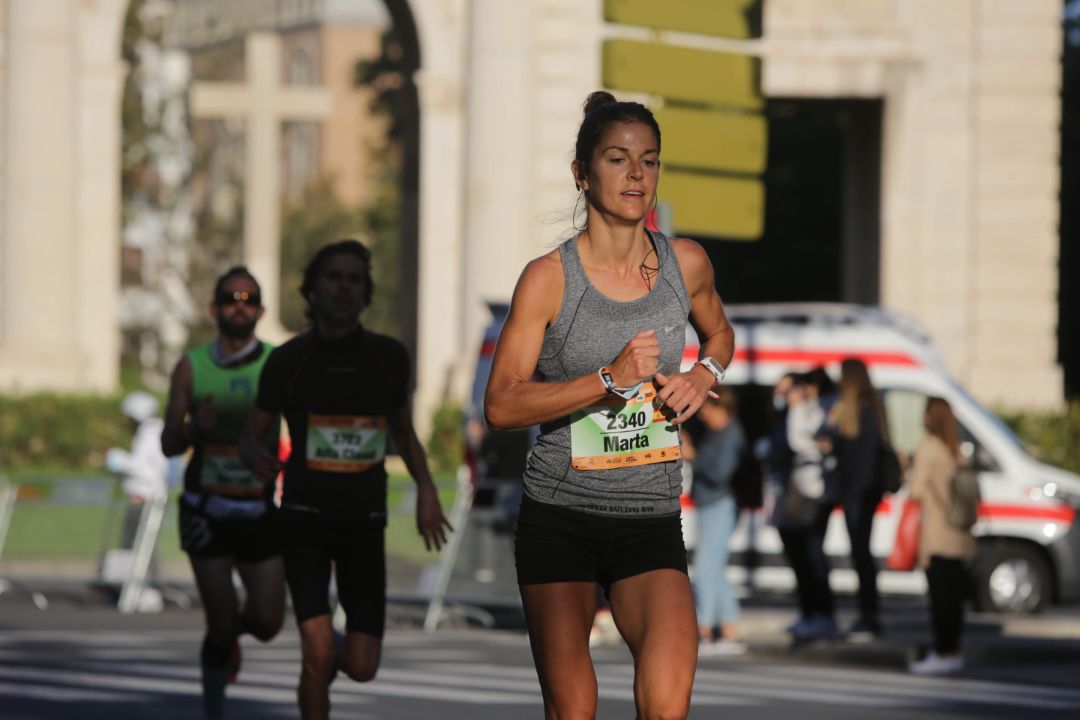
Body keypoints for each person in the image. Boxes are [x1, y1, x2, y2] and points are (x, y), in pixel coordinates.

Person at [484, 90, 735, 719]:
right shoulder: (549, 278)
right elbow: (502, 404)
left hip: (649, 518)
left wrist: (704, 374)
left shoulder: (687, 264)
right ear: (582, 173)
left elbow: (721, 334)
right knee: (573, 712)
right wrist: (609, 377)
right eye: (618, 159)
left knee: (667, 703)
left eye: (649, 161)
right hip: (559, 516)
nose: (635, 175)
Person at [239, 239, 451, 720]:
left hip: (363, 521)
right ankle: (317, 656)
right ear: (312, 290)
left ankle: (326, 651)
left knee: (359, 666)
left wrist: (427, 491)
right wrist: (255, 456)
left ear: (366, 291)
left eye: (354, 279)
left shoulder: (388, 357)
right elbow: (251, 435)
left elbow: (403, 430)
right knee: (316, 653)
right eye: (333, 277)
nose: (344, 287)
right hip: (303, 520)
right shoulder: (288, 360)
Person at [160, 267, 286, 720]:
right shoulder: (190, 366)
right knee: (220, 621)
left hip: (257, 508)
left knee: (269, 623)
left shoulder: (277, 362)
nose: (240, 305)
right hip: (205, 509)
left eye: (249, 298)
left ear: (261, 311)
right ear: (214, 309)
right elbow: (168, 444)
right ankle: (215, 709)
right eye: (231, 298)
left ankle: (231, 640)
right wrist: (194, 429)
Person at [907, 397, 976, 675]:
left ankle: (942, 651)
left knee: (939, 599)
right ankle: (953, 650)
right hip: (960, 534)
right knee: (954, 600)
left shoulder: (928, 448)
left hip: (937, 533)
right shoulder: (956, 449)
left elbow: (916, 490)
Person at [829, 357, 890, 640]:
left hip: (859, 493)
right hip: (865, 492)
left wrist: (833, 436)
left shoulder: (857, 411)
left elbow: (854, 456)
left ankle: (870, 616)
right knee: (861, 555)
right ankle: (869, 614)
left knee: (861, 556)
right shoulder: (873, 408)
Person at [778, 370, 840, 641]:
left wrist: (796, 410)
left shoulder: (825, 408)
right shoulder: (809, 408)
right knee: (801, 554)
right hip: (802, 490)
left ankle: (823, 614)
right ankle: (810, 612)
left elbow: (799, 441)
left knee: (813, 554)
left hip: (816, 492)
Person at [685, 387, 747, 656]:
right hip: (715, 504)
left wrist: (692, 456)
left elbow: (721, 473)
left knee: (705, 570)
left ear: (722, 408)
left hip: (719, 504)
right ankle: (728, 629)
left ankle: (704, 629)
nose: (702, 416)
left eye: (706, 410)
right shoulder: (721, 434)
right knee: (715, 570)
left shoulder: (730, 436)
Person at [105, 390, 173, 611]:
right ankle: (128, 586)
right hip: (142, 497)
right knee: (134, 545)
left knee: (142, 545)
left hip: (145, 498)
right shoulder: (153, 431)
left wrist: (116, 458)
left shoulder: (150, 433)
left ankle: (148, 589)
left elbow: (141, 467)